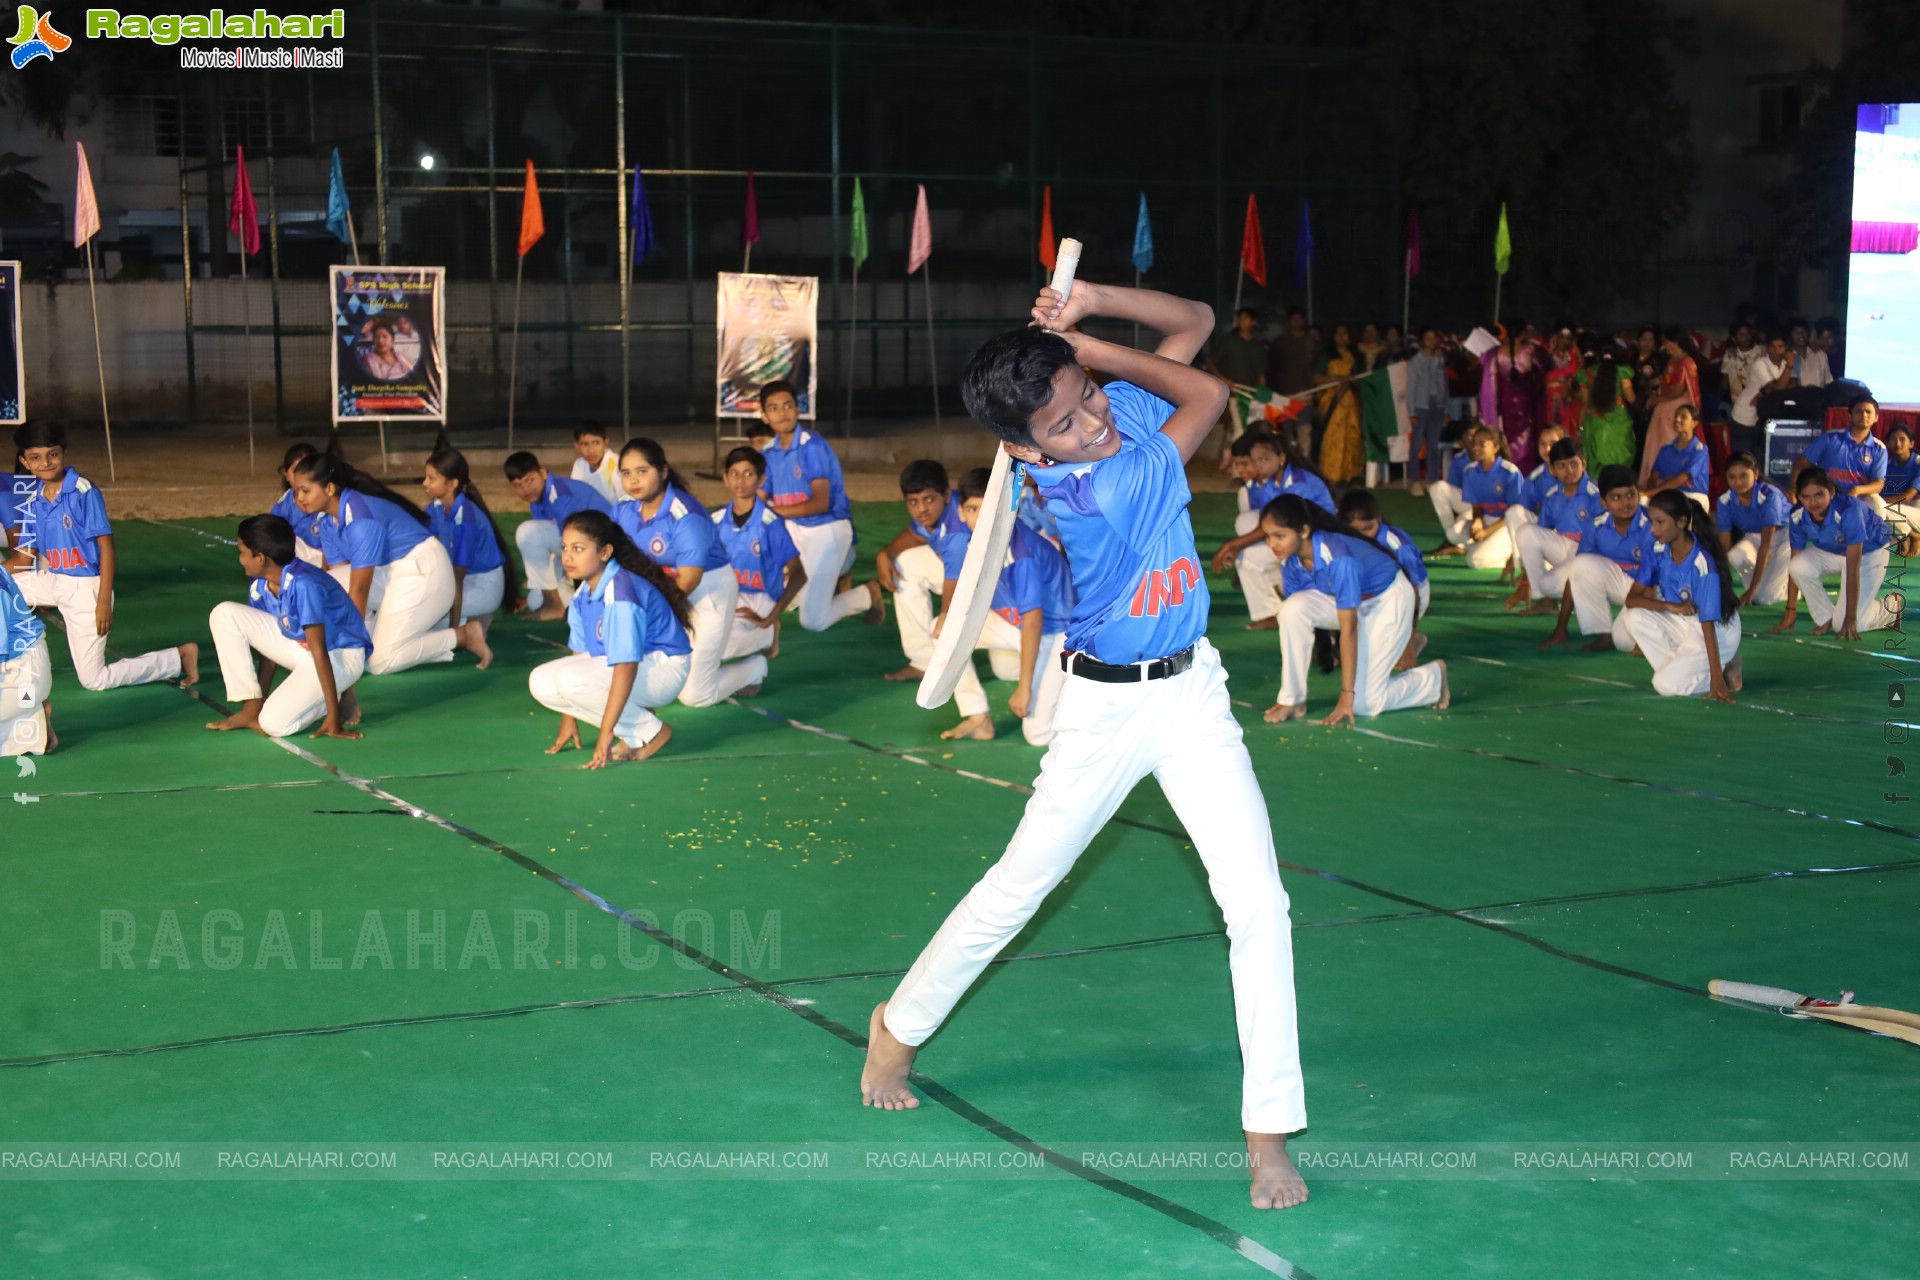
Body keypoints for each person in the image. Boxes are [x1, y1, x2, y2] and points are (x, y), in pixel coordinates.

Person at [861, 278, 1310, 1212]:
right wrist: (1090, 351)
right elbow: (1210, 393)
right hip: (1102, 712)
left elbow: (1195, 325)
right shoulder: (1100, 487)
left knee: (1259, 904)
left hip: (1193, 694)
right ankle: (895, 1028)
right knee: (1017, 887)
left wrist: (1092, 302)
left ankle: (1268, 1130)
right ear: (1027, 453)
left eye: (1091, 399)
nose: (1095, 422)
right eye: (1065, 423)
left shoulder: (1116, 416)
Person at [5, 421, 198, 692]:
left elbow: (107, 548)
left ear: (63, 452)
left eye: (52, 454)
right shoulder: (33, 499)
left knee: (94, 680)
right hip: (52, 580)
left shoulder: (83, 491)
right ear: (25, 461)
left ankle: (177, 657)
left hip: (87, 589)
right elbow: (23, 561)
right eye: (36, 458)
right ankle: (11, 663)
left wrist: (103, 602)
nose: (45, 463)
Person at [1261, 494, 1448, 724]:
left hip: (1388, 601)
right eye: (1267, 536)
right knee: (1291, 610)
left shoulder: (1338, 558)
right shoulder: (1289, 560)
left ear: (1304, 531)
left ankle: (1432, 680)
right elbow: (1303, 616)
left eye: (1279, 536)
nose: (1272, 544)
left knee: (1364, 703)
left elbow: (1348, 629)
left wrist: (1346, 696)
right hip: (1355, 601)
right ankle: (1292, 700)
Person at [528, 510, 692, 766]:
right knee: (541, 682)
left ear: (605, 553)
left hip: (663, 669)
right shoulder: (583, 593)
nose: (568, 557)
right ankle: (637, 730)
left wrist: (606, 733)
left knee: (572, 680)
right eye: (565, 547)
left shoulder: (620, 592)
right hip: (636, 667)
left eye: (579, 549)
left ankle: (652, 733)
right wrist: (568, 718)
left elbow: (626, 665)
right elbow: (580, 656)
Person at [289, 453, 474, 676]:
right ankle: (399, 632)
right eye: (296, 491)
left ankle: (462, 635)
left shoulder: (360, 518)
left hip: (426, 573)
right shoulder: (326, 520)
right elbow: (340, 579)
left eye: (305, 490)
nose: (299, 498)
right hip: (395, 573)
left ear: (329, 489)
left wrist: (351, 645)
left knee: (379, 662)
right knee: (327, 584)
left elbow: (359, 589)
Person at [203, 514, 370, 740]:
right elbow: (268, 647)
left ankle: (331, 700)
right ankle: (251, 708)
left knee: (273, 724)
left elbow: (319, 650)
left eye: (242, 553)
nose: (240, 559)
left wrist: (334, 717)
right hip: (300, 646)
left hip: (339, 657)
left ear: (260, 558)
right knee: (224, 614)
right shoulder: (260, 585)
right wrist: (257, 702)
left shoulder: (304, 584)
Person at [612, 437, 750, 709]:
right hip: (659, 590)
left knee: (695, 696)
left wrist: (647, 612)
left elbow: (688, 581)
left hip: (707, 591)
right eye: (626, 473)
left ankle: (755, 666)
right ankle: (732, 640)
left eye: (642, 471)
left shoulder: (686, 515)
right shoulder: (623, 507)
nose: (633, 480)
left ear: (663, 471)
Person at [945, 466, 1074, 745]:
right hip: (1016, 625)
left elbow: (1033, 621)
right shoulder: (971, 542)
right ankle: (978, 716)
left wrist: (1025, 688)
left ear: (1006, 510)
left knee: (1038, 734)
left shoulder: (1021, 552)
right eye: (972, 510)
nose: (981, 519)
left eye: (989, 509)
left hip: (1056, 633)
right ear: (960, 512)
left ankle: (1075, 682)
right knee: (944, 630)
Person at [757, 379, 883, 632]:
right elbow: (758, 501)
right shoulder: (768, 452)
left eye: (788, 405)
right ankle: (832, 575)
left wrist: (772, 511)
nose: (782, 413)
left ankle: (865, 594)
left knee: (812, 620)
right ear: (764, 416)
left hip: (826, 529)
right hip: (794, 530)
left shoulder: (812, 445)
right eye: (774, 408)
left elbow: (820, 503)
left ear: (798, 409)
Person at [1622, 491, 1741, 701]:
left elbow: (1707, 625)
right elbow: (1632, 600)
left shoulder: (1702, 563)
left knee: (1664, 685)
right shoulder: (1658, 550)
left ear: (1681, 522)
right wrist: (1671, 607)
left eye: (1660, 522)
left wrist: (1716, 682)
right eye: (1651, 521)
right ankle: (1693, 669)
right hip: (1682, 617)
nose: (1653, 529)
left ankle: (1718, 672)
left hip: (1717, 629)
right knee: (1633, 617)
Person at [1210, 432, 1327, 630]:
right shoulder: (1271, 483)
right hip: (1294, 542)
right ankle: (1272, 612)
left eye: (1264, 460)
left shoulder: (1298, 483)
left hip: (1318, 544)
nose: (1258, 466)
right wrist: (1236, 546)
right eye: (1255, 461)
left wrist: (1232, 545)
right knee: (1248, 557)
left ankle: (1296, 597)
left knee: (1251, 547)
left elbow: (1281, 525)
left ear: (1281, 458)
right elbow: (1266, 524)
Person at [1774, 467, 1904, 639]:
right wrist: (1790, 610)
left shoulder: (1849, 511)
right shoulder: (1797, 515)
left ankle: (1892, 608)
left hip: (1870, 552)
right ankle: (1826, 618)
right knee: (1797, 566)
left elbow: (1853, 567)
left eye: (1819, 494)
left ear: (1831, 492)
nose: (1813, 502)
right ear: (1799, 497)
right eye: (1806, 497)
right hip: (1834, 550)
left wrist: (1851, 618)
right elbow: (1794, 560)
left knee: (1854, 623)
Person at [713, 445, 804, 688]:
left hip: (760, 598)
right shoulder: (716, 520)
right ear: (725, 478)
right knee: (697, 640)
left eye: (748, 474)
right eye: (734, 473)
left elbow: (799, 574)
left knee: (718, 648)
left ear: (761, 480)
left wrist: (771, 616)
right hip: (728, 595)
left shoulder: (770, 523)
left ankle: (766, 634)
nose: (740, 481)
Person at [1540, 465, 1657, 653]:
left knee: (1624, 642)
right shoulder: (1596, 525)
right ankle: (1605, 635)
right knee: (1582, 564)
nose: (1626, 503)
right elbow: (1577, 572)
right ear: (1603, 502)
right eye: (1616, 498)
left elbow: (1655, 581)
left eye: (1630, 495)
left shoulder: (1651, 526)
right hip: (1626, 587)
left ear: (1638, 494)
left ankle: (1664, 630)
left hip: (1654, 592)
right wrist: (1560, 628)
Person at [874, 460, 971, 684]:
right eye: (913, 502)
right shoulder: (932, 515)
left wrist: (945, 615)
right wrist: (885, 554)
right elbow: (916, 534)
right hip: (961, 571)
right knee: (904, 563)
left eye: (929, 499)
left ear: (947, 494)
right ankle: (923, 661)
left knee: (1007, 670)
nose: (921, 509)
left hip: (993, 584)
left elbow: (956, 582)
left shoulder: (957, 529)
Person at [421, 445, 514, 671]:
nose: (425, 483)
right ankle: (477, 622)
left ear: (452, 484)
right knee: (423, 613)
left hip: (483, 586)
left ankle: (469, 629)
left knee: (424, 622)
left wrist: (454, 635)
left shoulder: (466, 519)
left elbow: (457, 581)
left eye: (432, 478)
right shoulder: (437, 506)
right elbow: (417, 535)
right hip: (466, 582)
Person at [505, 449, 611, 621]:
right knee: (534, 601)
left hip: (604, 550)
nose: (525, 489)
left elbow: (575, 543)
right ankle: (562, 601)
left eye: (530, 480)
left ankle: (555, 604)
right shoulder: (538, 498)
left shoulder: (560, 493)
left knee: (528, 532)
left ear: (543, 473)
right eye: (518, 485)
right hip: (586, 546)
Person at [1338, 487, 1431, 668]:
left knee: (1377, 662)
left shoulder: (1395, 544)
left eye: (1368, 528)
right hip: (1372, 592)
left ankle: (1410, 642)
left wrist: (1408, 650)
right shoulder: (1339, 538)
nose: (1363, 536)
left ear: (1378, 519)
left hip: (1409, 594)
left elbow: (1411, 594)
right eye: (1355, 530)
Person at [1512, 439, 1605, 616]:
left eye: (1573, 464)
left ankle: (1589, 593)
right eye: (1562, 466)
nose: (1569, 471)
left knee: (1548, 585)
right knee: (1526, 533)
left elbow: (1605, 538)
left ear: (1583, 464)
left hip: (1591, 556)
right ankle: (1545, 601)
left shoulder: (1596, 495)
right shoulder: (1552, 495)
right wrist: (1525, 579)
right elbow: (1541, 533)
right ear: (1553, 470)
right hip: (1564, 548)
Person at [1441, 426, 1526, 569]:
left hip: (1508, 525)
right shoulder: (1470, 471)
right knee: (1452, 534)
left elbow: (1514, 514)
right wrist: (1477, 521)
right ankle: (1486, 546)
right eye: (1475, 443)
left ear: (1496, 447)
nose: (1475, 448)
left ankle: (1511, 553)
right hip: (1487, 520)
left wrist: (1487, 532)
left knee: (1474, 561)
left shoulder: (1510, 472)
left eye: (1482, 444)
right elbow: (1476, 506)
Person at [1716, 452, 1790, 607]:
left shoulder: (1769, 496)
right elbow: (1724, 545)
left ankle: (1788, 587)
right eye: (1732, 477)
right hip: (1754, 536)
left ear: (1755, 474)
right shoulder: (1724, 500)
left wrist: (1751, 591)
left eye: (1743, 476)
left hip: (1785, 538)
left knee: (1764, 599)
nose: (1738, 482)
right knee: (1734, 555)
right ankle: (1763, 586)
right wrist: (1721, 587)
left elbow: (1765, 547)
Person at [1792, 395, 1887, 513]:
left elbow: (1878, 484)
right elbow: (1801, 464)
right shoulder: (1830, 438)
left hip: (1858, 498)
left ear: (1876, 417)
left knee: (1877, 503)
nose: (1864, 415)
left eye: (1868, 412)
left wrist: (1857, 490)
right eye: (1859, 412)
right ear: (1849, 416)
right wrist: (1793, 491)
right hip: (1827, 497)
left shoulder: (1879, 448)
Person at [1207, 307, 1274, 466]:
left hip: (1253, 394)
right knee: (1239, 429)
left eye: (1245, 318)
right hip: (1235, 394)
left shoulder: (1258, 346)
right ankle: (1239, 468)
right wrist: (1223, 379)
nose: (1241, 321)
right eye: (1240, 318)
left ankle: (1241, 462)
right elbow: (1210, 362)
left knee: (1251, 429)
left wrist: (1263, 394)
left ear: (1253, 322)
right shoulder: (1229, 342)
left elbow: (1261, 373)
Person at [1637, 330, 1700, 488]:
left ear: (1676, 343)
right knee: (1659, 445)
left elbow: (1677, 390)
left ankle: (1669, 482)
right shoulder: (1673, 360)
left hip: (1675, 408)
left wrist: (1658, 399)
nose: (1664, 346)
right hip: (1665, 409)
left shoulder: (1686, 362)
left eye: (1667, 342)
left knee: (1670, 442)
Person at [1, 563, 51, 757]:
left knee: (26, 697)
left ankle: (30, 705)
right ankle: (30, 714)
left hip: (23, 674)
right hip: (14, 671)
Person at [1642, 403, 1711, 514]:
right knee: (1642, 502)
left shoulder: (1700, 450)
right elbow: (1654, 476)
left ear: (1694, 423)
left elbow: (1683, 478)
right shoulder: (1666, 449)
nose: (1677, 419)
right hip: (1669, 494)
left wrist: (1651, 492)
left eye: (1683, 417)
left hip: (1692, 496)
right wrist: (1649, 493)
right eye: (1676, 416)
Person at [1316, 323, 1363, 485]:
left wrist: (1354, 381)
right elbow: (1316, 378)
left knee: (1352, 438)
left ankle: (1350, 475)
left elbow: (1361, 379)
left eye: (1345, 334)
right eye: (1338, 334)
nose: (1342, 337)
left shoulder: (1354, 357)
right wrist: (1335, 379)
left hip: (1350, 403)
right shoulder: (1326, 357)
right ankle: (1331, 475)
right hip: (1332, 403)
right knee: (1332, 438)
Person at [1406, 327, 1449, 497]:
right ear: (1422, 341)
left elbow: (1444, 386)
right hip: (1420, 406)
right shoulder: (1416, 361)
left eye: (1434, 338)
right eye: (1428, 338)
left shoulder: (1440, 360)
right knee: (1416, 444)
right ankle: (1415, 480)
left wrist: (1446, 408)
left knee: (1433, 445)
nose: (1431, 341)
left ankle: (1432, 480)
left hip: (1437, 405)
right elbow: (1411, 388)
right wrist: (1411, 412)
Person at [270, 442, 326, 566]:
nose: (302, 476)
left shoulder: (326, 499)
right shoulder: (282, 507)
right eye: (296, 470)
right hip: (293, 562)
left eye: (307, 470)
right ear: (286, 475)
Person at [1579, 353, 1637, 474]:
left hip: (1592, 421)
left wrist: (1581, 428)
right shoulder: (1622, 372)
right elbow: (1631, 398)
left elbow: (1584, 402)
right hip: (1618, 420)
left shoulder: (1587, 373)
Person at [1880, 424, 1920, 557]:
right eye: (1893, 439)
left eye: (1902, 439)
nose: (1897, 443)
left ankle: (1915, 536)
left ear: (1911, 443)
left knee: (1881, 508)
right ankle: (1907, 535)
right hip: (1896, 513)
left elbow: (1908, 496)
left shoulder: (1918, 463)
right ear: (1887, 443)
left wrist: (1879, 504)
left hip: (1916, 511)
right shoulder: (1886, 466)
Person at [1720, 322, 1762, 434]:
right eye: (1741, 334)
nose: (1746, 337)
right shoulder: (1730, 354)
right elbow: (1725, 379)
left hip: (1758, 401)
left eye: (1747, 333)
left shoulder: (1761, 352)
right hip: (1738, 402)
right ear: (1734, 338)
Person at [570, 421, 621, 505]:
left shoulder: (617, 465)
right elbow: (576, 496)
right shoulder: (579, 464)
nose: (591, 451)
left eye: (596, 443)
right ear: (577, 446)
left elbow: (625, 501)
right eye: (585, 444)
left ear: (605, 443)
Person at [1789, 318, 1833, 389]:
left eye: (1804, 331)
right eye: (1796, 332)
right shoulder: (1788, 357)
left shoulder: (1820, 355)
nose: (1801, 335)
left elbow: (1828, 381)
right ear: (1790, 335)